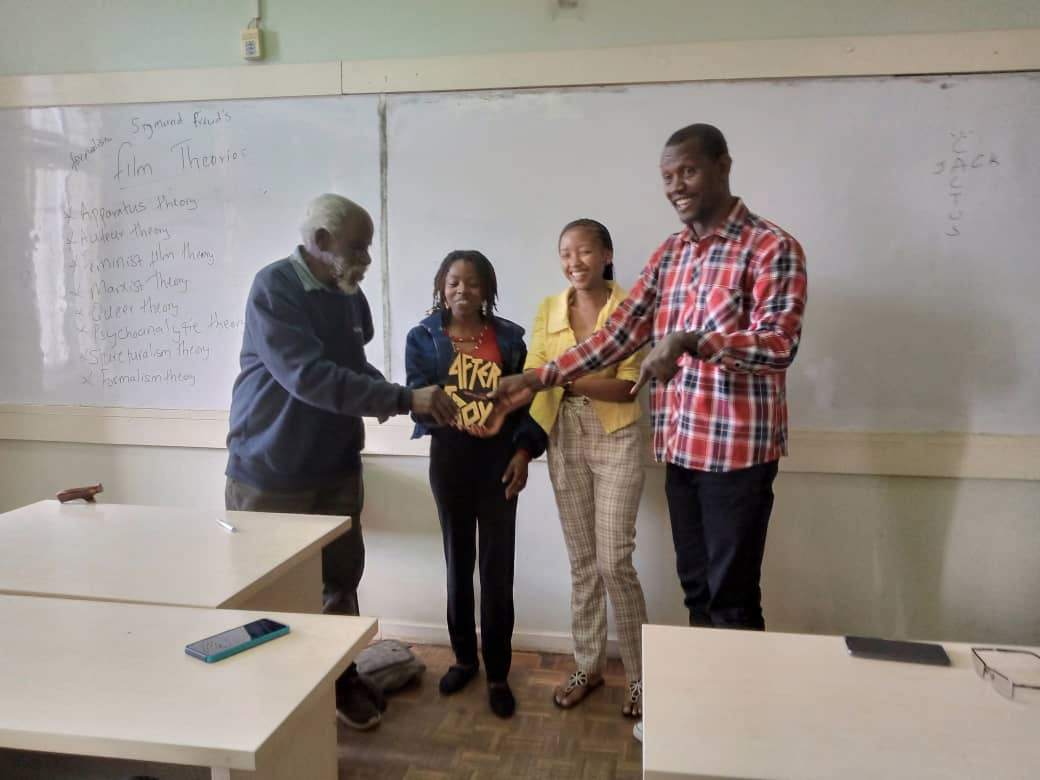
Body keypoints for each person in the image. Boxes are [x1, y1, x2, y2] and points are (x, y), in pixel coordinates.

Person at [492, 122, 807, 636]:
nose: (676, 185)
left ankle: (738, 714)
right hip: (681, 449)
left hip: (737, 458)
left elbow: (779, 344)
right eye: (667, 176)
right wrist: (537, 377)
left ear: (723, 167)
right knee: (697, 592)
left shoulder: (772, 247)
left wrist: (691, 342)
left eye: (688, 170)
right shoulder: (671, 254)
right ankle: (699, 711)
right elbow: (615, 336)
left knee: (733, 601)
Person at [224, 193, 456, 731]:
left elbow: (352, 366)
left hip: (335, 467)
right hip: (270, 469)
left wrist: (411, 395)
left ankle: (340, 678)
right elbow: (308, 377)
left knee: (340, 581)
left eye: (369, 246)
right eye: (359, 247)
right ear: (321, 242)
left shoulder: (347, 294)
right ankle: (270, 703)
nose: (368, 258)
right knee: (267, 593)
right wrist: (402, 400)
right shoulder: (274, 287)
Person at [405, 250, 546, 719]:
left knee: (496, 568)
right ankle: (465, 659)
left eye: (472, 283)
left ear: (487, 289)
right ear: (440, 289)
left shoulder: (510, 339)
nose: (462, 291)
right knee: (457, 562)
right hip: (450, 459)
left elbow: (530, 405)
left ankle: (499, 673)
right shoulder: (422, 338)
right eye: (452, 283)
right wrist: (446, 405)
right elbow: (416, 397)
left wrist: (523, 452)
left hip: (499, 461)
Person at [526, 218, 649, 718]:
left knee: (614, 560)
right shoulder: (548, 309)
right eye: (565, 253)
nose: (574, 262)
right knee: (582, 561)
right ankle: (589, 664)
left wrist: (567, 378)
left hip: (616, 433)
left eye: (583, 251)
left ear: (607, 255)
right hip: (564, 436)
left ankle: (643, 677)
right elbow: (537, 371)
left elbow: (630, 386)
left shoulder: (631, 309)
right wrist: (571, 379)